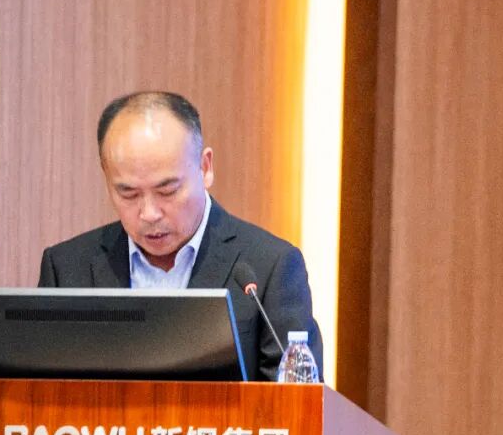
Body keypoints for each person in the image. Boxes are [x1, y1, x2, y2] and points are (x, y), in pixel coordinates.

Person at [37, 91, 322, 381]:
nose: (149, 213)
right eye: (128, 193)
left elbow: (298, 400)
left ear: (205, 168)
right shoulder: (66, 269)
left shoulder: (269, 267)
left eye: (167, 191)